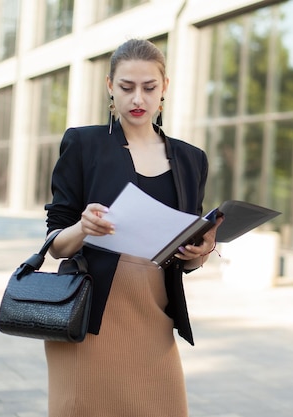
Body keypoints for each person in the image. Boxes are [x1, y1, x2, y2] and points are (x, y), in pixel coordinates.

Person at [43, 39, 223, 417]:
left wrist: (199, 251)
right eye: (126, 87)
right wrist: (83, 227)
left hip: (154, 317)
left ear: (165, 88)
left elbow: (185, 257)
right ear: (110, 86)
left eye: (148, 87)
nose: (137, 98)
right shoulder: (83, 144)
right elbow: (56, 244)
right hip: (89, 317)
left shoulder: (192, 160)